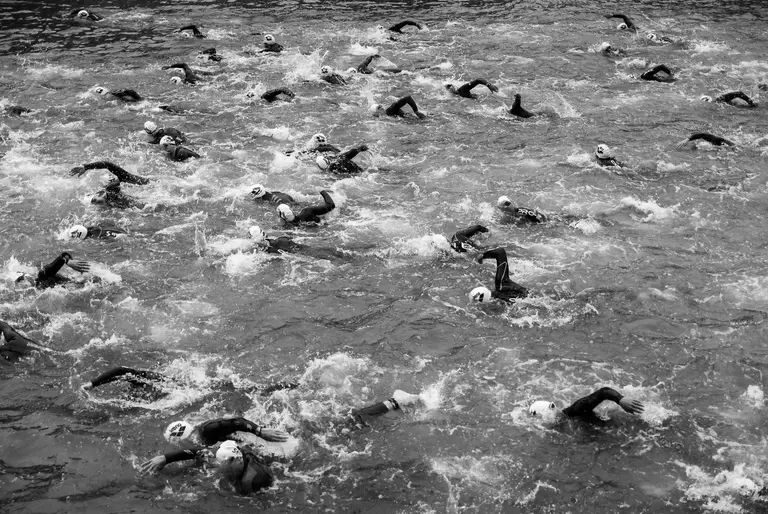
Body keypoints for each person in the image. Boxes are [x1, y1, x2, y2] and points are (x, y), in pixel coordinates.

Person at [139, 417, 290, 474]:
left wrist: (260, 431)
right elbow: (199, 451)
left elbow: (235, 422)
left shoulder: (206, 430)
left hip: (253, 443)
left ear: (181, 439)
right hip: (238, 447)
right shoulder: (198, 436)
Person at [528, 386, 644, 424]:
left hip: (634, 422)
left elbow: (604, 392)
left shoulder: (575, 410)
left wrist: (621, 399)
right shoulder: (563, 425)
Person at [69, 161, 150, 209]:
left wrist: (87, 167)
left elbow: (108, 165)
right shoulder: (129, 180)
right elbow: (108, 165)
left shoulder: (109, 193)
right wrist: (87, 167)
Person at [248, 226, 351, 260]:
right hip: (303, 250)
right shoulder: (279, 239)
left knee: (330, 255)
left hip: (302, 254)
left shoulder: (264, 248)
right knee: (332, 252)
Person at [15, 252, 90, 289]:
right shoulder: (40, 287)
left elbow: (64, 255)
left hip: (86, 282)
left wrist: (67, 261)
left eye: (24, 278)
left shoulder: (42, 276)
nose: (24, 284)